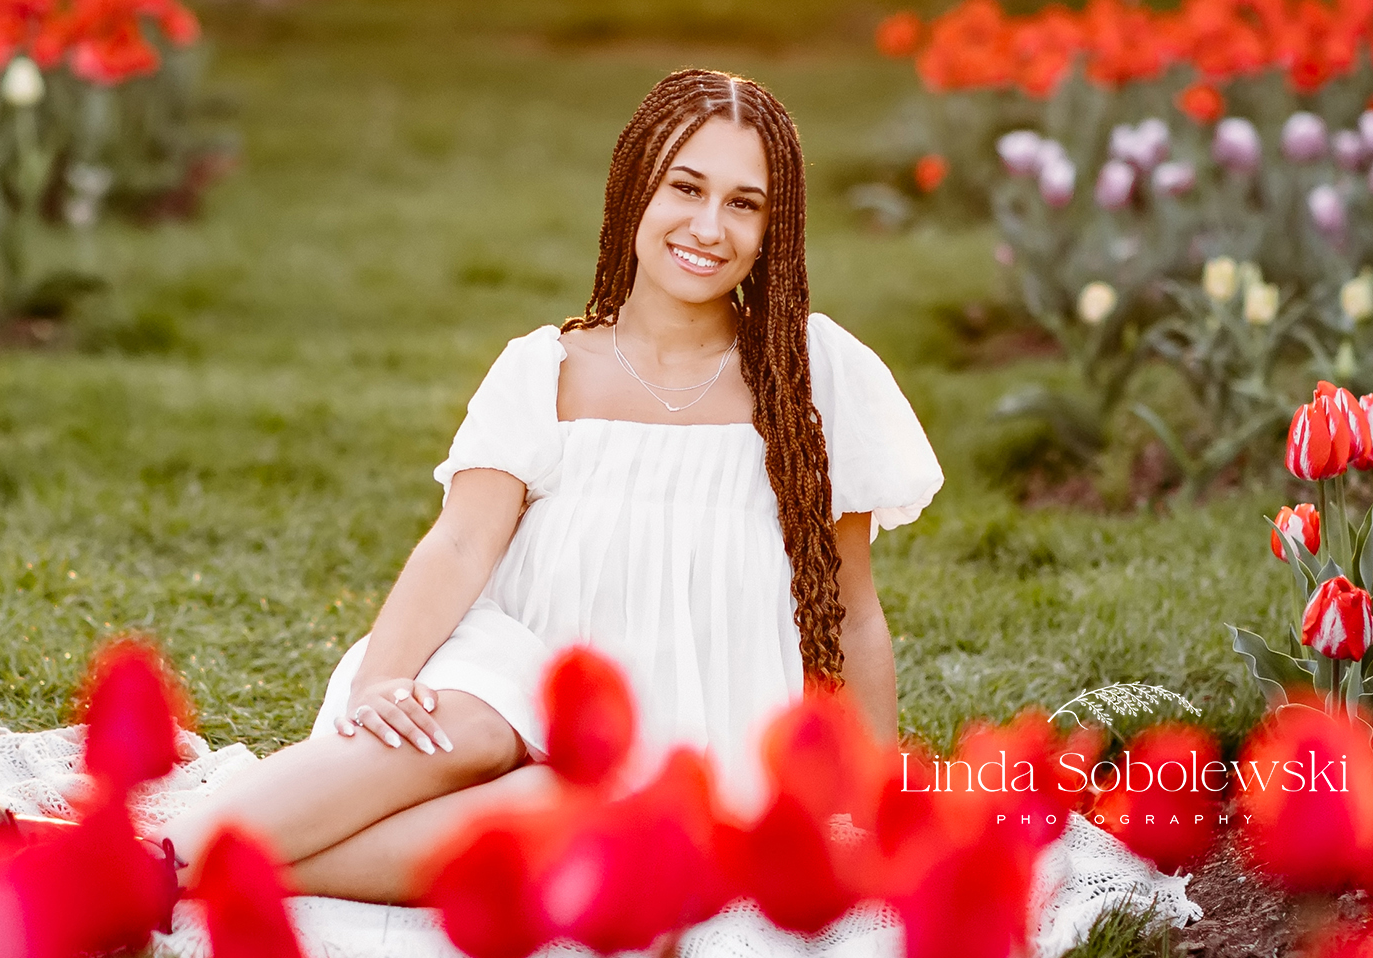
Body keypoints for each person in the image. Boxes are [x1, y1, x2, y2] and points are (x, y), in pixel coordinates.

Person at [164, 68, 943, 901]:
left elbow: (854, 612)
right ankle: (156, 861)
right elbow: (461, 542)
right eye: (687, 187)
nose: (708, 226)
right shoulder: (548, 368)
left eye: (743, 203)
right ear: (636, 187)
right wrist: (382, 680)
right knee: (460, 720)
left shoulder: (814, 378)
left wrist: (865, 804)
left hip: (672, 745)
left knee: (566, 818)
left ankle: (169, 873)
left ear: (773, 227)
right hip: (522, 669)